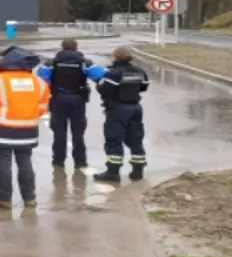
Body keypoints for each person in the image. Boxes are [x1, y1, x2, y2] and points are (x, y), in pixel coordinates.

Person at [0, 47, 50, 209]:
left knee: (3, 163)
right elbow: (42, 108)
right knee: (25, 162)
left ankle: (4, 198)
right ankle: (29, 198)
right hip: (28, 130)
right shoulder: (39, 83)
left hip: (1, 130)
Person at [37, 39, 105, 170]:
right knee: (78, 132)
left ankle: (58, 161)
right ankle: (80, 162)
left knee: (59, 132)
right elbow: (101, 77)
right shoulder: (85, 63)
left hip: (58, 99)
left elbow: (41, 82)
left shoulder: (51, 63)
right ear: (76, 48)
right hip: (78, 99)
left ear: (62, 47)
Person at [94, 46, 151, 183]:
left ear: (115, 57)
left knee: (114, 140)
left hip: (118, 109)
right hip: (136, 108)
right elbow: (144, 87)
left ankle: (113, 173)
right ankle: (138, 171)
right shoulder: (139, 71)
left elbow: (105, 90)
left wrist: (98, 84)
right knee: (136, 139)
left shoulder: (114, 73)